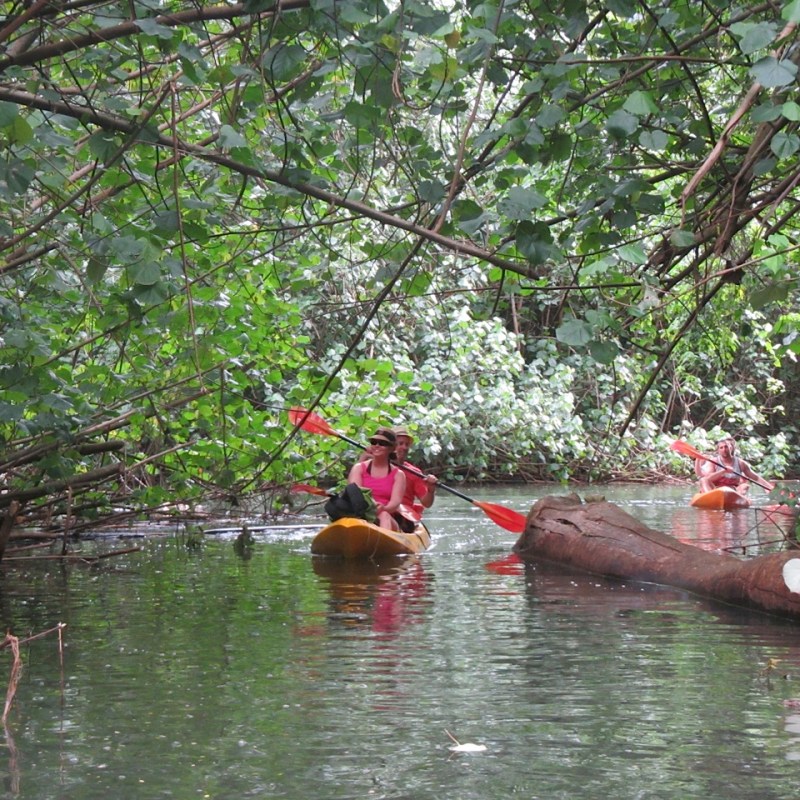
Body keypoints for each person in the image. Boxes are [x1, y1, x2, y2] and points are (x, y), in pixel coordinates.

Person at [348, 427, 407, 531]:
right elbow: (354, 495)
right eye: (374, 442)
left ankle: (383, 540)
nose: (377, 445)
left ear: (392, 448)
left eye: (382, 443)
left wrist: (383, 508)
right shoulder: (359, 468)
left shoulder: (399, 475)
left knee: (384, 515)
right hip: (362, 515)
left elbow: (394, 504)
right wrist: (370, 508)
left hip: (387, 517)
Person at [698, 436, 774, 496]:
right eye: (721, 448)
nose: (724, 449)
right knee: (703, 480)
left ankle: (738, 501)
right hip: (715, 490)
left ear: (731, 448)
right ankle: (710, 498)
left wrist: (769, 488)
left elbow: (756, 477)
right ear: (718, 450)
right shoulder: (714, 462)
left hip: (733, 491)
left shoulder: (741, 463)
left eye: (726, 447)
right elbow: (707, 478)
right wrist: (723, 471)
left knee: (745, 486)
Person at [392, 426, 438, 517]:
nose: (404, 447)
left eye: (406, 444)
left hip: (403, 515)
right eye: (400, 443)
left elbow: (427, 504)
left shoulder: (414, 472)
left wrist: (430, 490)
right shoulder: (377, 465)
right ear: (391, 446)